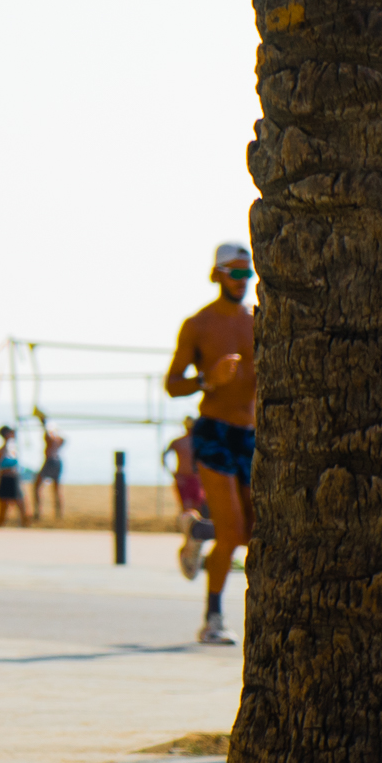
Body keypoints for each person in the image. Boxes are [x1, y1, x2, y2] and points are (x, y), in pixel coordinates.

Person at [164, 242, 255, 646]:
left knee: (251, 532)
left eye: (247, 273)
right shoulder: (198, 325)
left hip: (252, 435)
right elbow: (172, 384)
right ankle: (213, 618)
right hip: (214, 430)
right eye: (235, 272)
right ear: (217, 273)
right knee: (233, 530)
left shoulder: (258, 320)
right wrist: (207, 380)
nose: (243, 280)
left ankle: (200, 531)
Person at [162, 417, 212, 581]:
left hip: (193, 479)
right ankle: (190, 545)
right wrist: (172, 473)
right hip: (187, 478)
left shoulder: (194, 441)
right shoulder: (182, 442)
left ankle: (192, 544)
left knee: (195, 512)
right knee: (189, 512)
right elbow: (164, 456)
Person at [0, 426, 28, 527]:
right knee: (3, 512)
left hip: (14, 480)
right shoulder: (1, 451)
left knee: (22, 508)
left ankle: (25, 530)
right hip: (6, 481)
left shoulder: (13, 450)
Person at [31, 412, 65, 521]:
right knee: (56, 489)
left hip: (50, 461)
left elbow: (47, 433)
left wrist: (43, 422)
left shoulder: (51, 438)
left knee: (37, 486)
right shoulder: (58, 439)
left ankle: (39, 512)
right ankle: (58, 513)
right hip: (57, 461)